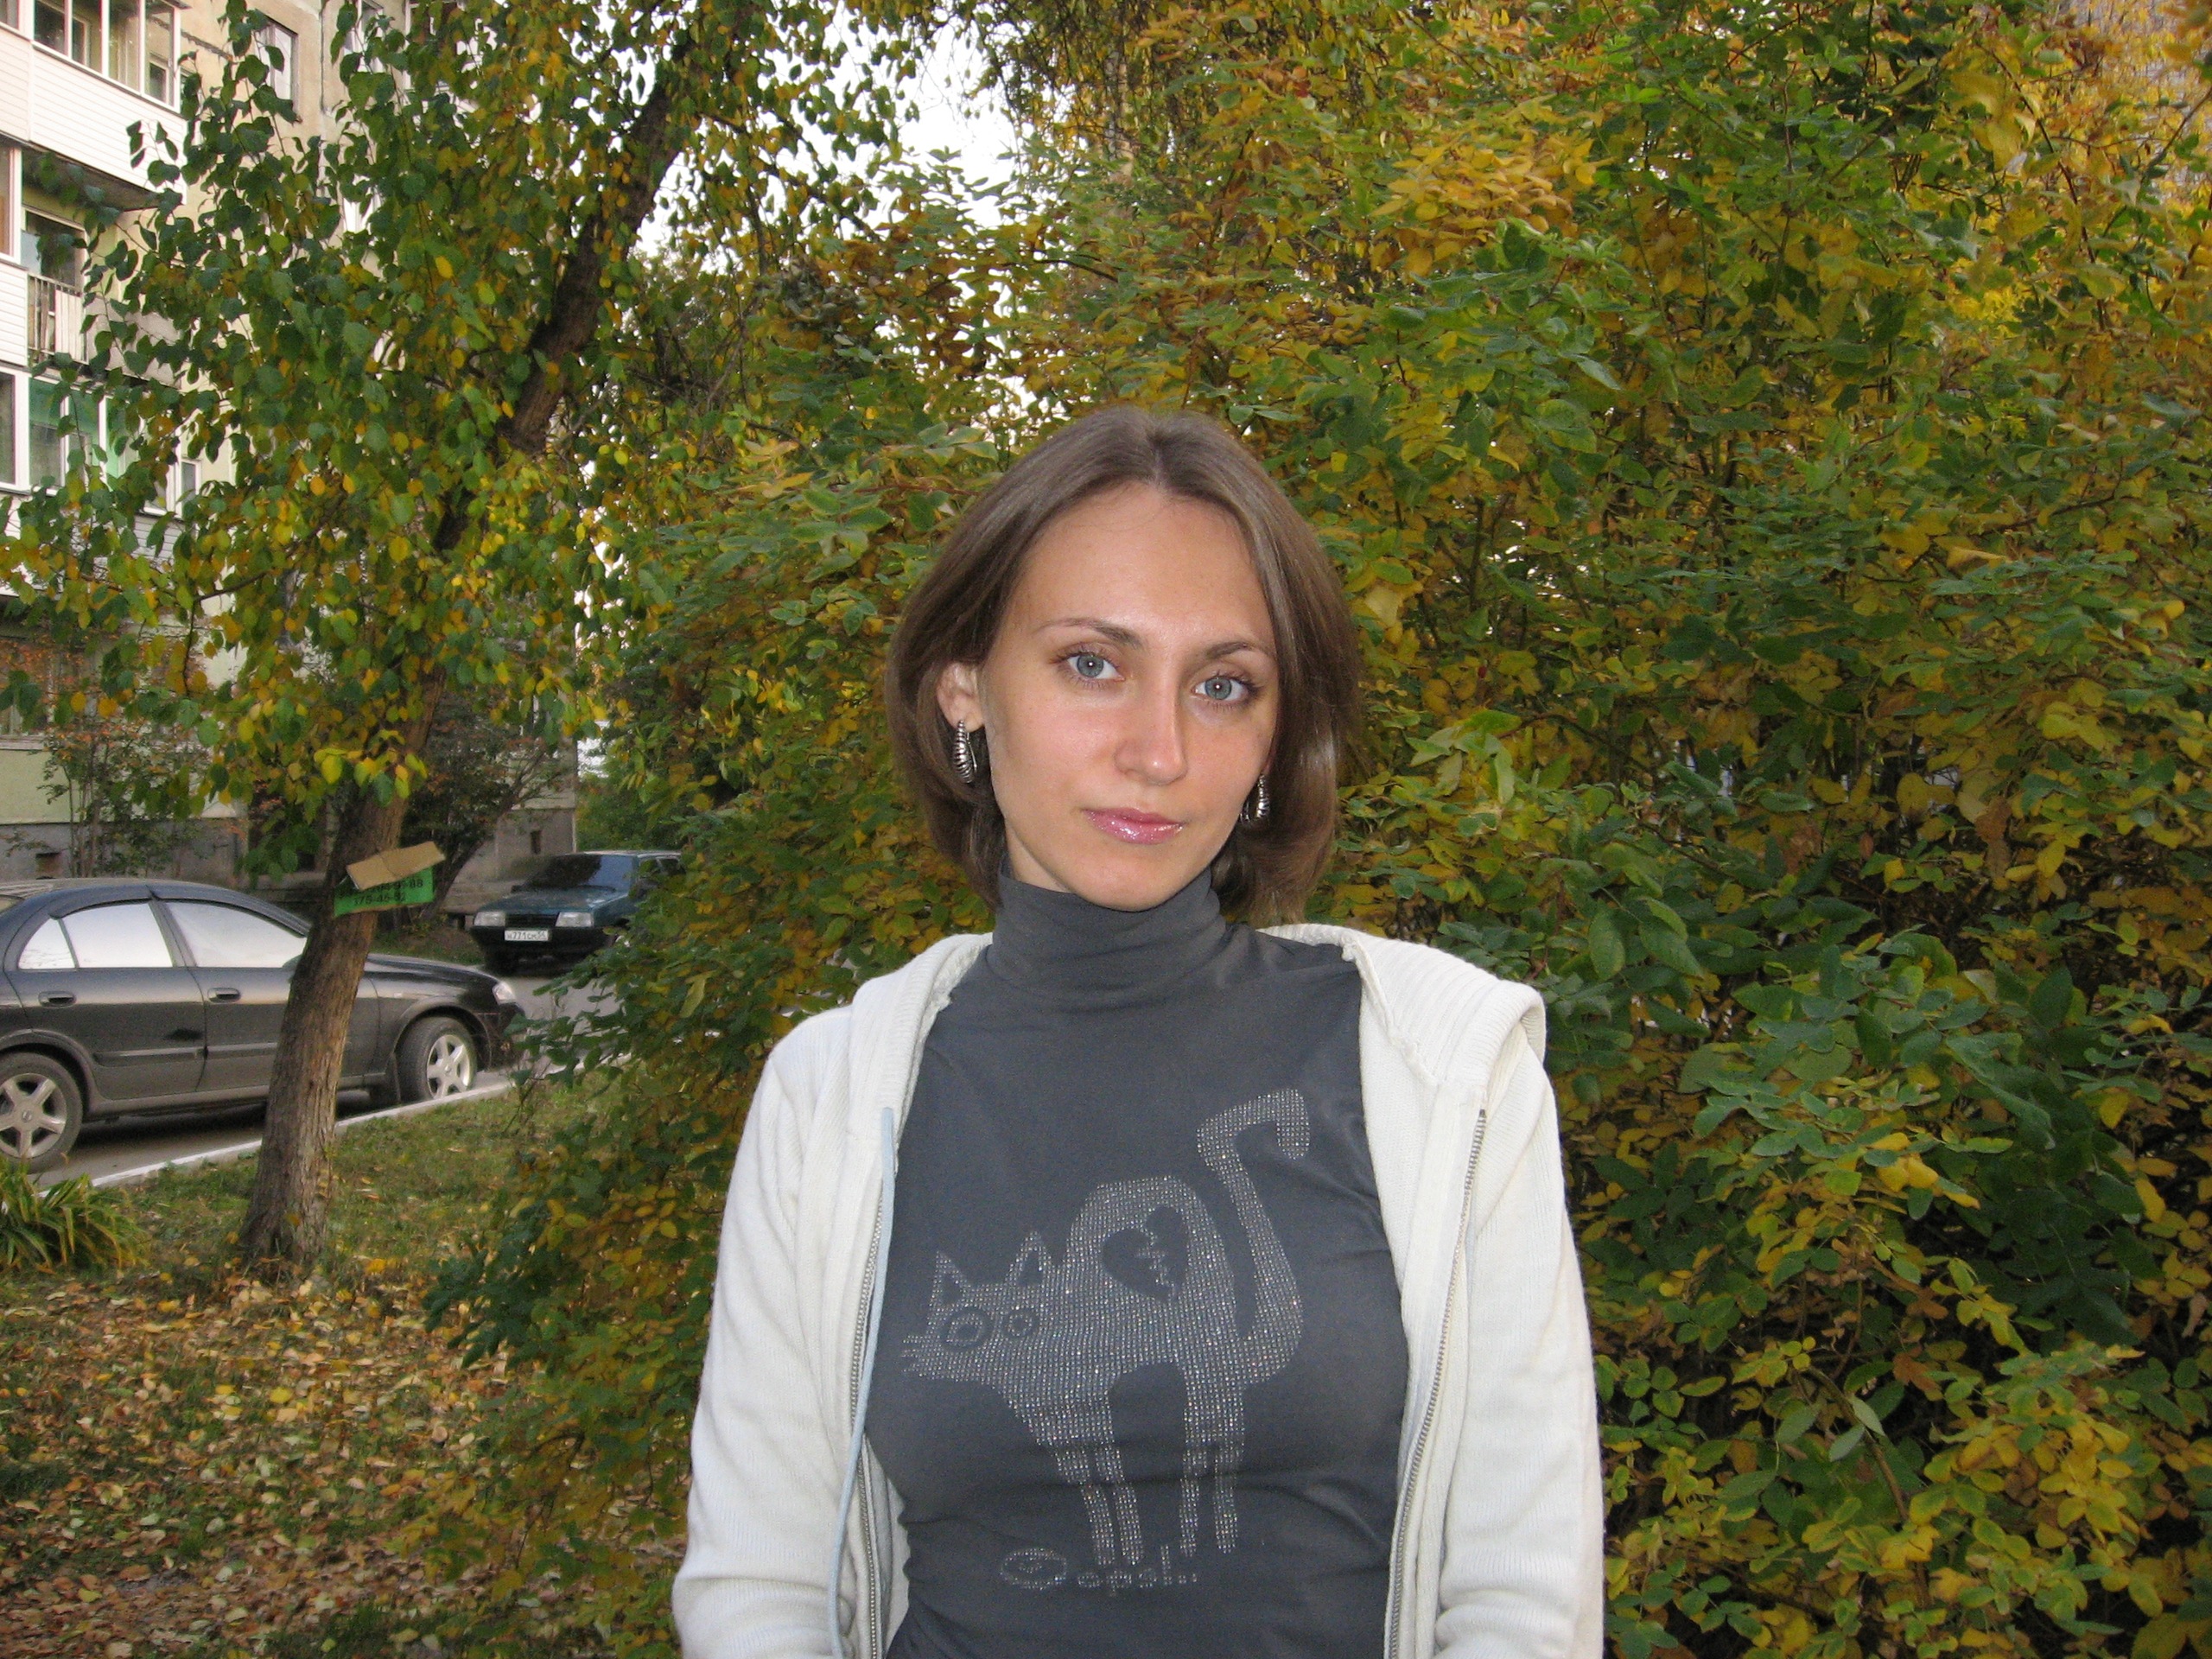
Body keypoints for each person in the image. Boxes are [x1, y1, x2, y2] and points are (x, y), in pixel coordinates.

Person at [672, 406, 1604, 1659]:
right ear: (965, 690)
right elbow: (760, 1588)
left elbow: (1525, 1599)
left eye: (1223, 687)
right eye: (1091, 664)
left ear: (1275, 738)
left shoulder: (1447, 1073)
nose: (1159, 751)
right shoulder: (831, 1097)